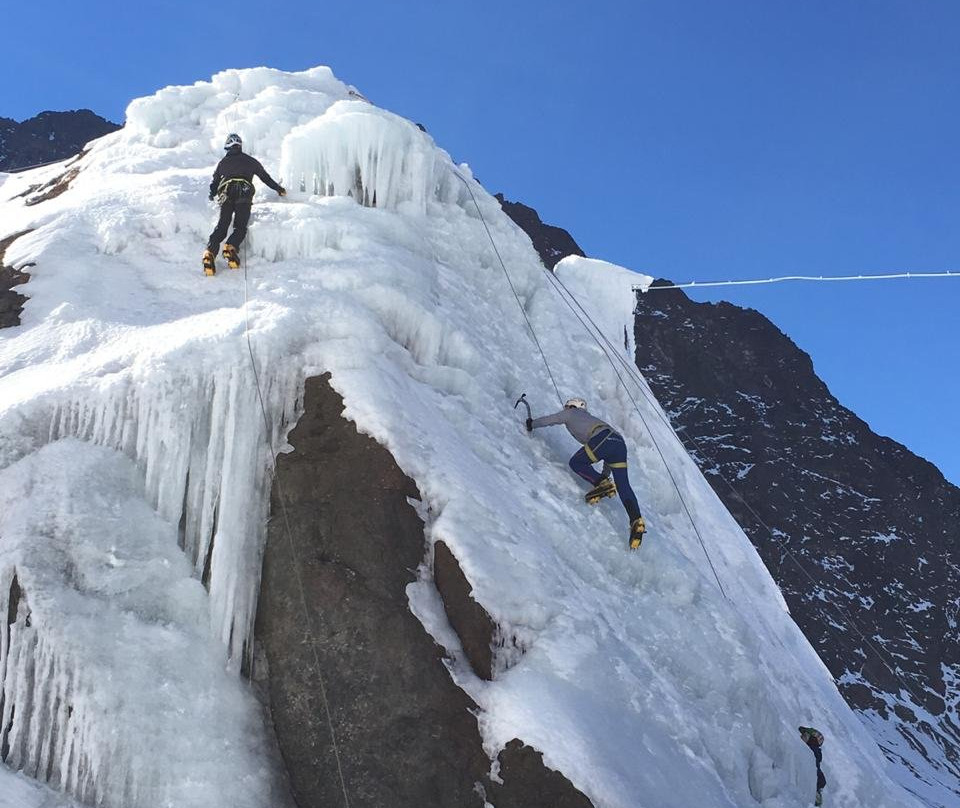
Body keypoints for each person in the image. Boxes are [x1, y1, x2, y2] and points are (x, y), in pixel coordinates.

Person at [526, 398, 646, 549]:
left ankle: (601, 483)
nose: (565, 409)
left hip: (603, 439)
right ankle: (636, 520)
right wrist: (604, 475)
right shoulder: (591, 418)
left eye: (567, 407)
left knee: (576, 463)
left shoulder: (571, 413)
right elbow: (609, 454)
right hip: (618, 442)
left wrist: (532, 423)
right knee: (623, 486)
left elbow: (551, 420)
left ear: (571, 406)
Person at [203, 133, 286, 276]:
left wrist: (212, 193)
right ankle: (231, 246)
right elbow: (265, 178)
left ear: (228, 146)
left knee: (222, 226)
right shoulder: (250, 161)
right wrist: (279, 189)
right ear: (240, 145)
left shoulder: (223, 163)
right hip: (244, 192)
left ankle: (210, 252)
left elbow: (215, 182)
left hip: (226, 193)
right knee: (240, 226)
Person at [799, 726, 826, 806]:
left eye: (805, 735)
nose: (801, 737)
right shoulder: (815, 752)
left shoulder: (812, 752)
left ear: (812, 740)